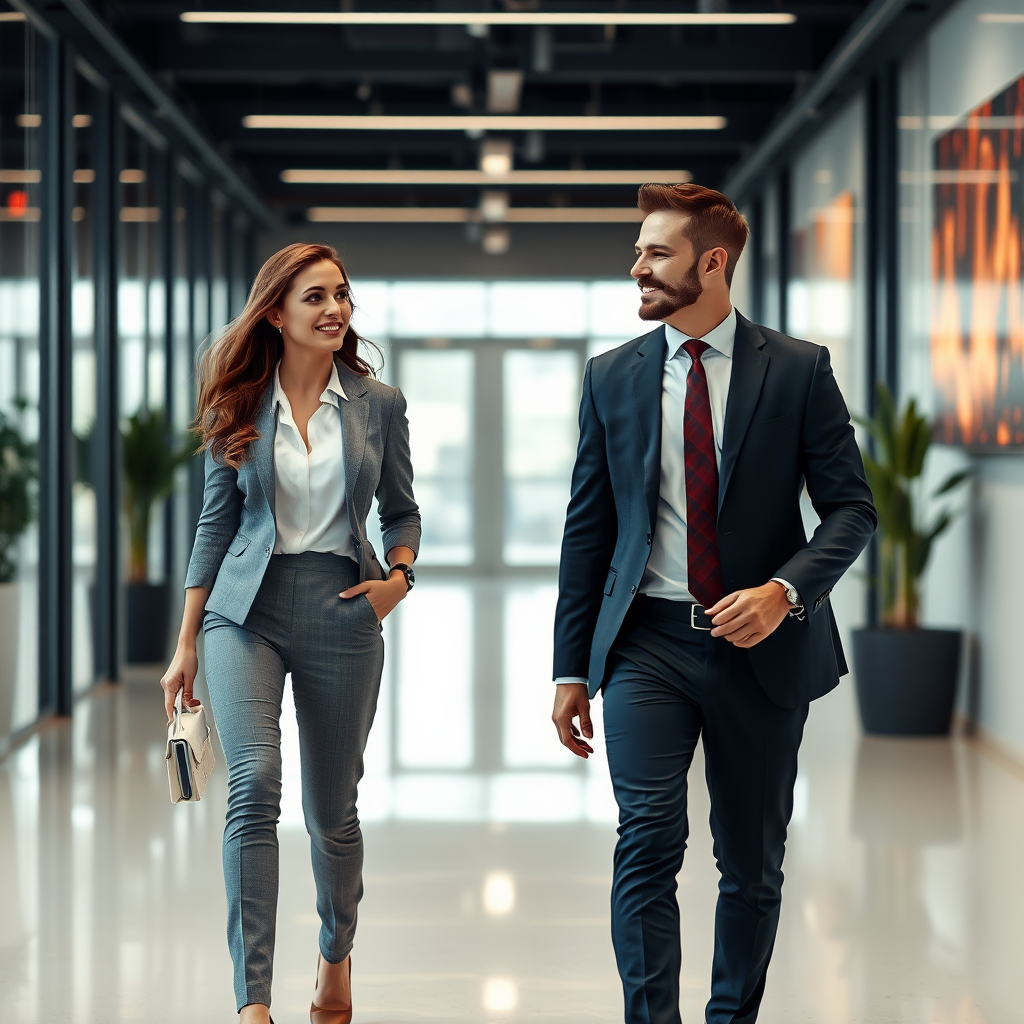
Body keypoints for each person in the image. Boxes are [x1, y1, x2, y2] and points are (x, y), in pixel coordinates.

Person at [551, 184, 876, 1024]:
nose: (638, 266)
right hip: (645, 645)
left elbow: (852, 509)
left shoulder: (798, 369)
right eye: (638, 252)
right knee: (649, 840)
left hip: (761, 650)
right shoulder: (613, 377)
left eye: (654, 252)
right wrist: (569, 669)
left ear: (712, 262)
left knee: (751, 863)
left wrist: (783, 591)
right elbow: (588, 531)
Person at [160, 243, 420, 1024]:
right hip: (246, 613)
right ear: (276, 311)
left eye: (341, 294)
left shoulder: (379, 404)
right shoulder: (237, 406)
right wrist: (185, 644)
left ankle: (336, 952)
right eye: (315, 297)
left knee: (332, 809)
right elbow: (215, 525)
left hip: (345, 606)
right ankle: (255, 1001)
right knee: (254, 786)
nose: (335, 309)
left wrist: (397, 582)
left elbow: (401, 511)